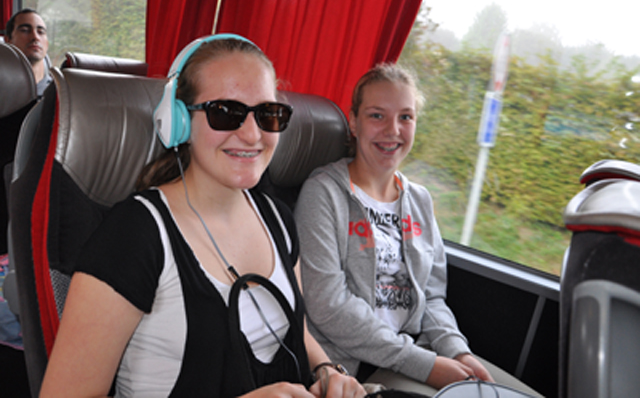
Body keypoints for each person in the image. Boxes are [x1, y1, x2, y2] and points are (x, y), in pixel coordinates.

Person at [39, 34, 366, 398]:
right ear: (178, 121)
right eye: (225, 112)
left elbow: (294, 329)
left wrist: (326, 371)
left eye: (267, 114)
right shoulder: (133, 236)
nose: (252, 134)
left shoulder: (278, 219)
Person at [295, 64, 540, 397]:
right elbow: (328, 305)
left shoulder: (420, 201)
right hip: (352, 366)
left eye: (406, 117)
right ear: (353, 122)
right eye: (377, 116)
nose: (393, 130)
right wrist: (425, 365)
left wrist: (457, 350)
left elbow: (432, 297)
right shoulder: (323, 193)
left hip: (415, 350)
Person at [5, 8, 52, 96]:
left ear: (47, 43)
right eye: (25, 30)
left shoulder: (62, 93)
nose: (35, 37)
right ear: (8, 40)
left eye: (41, 32)